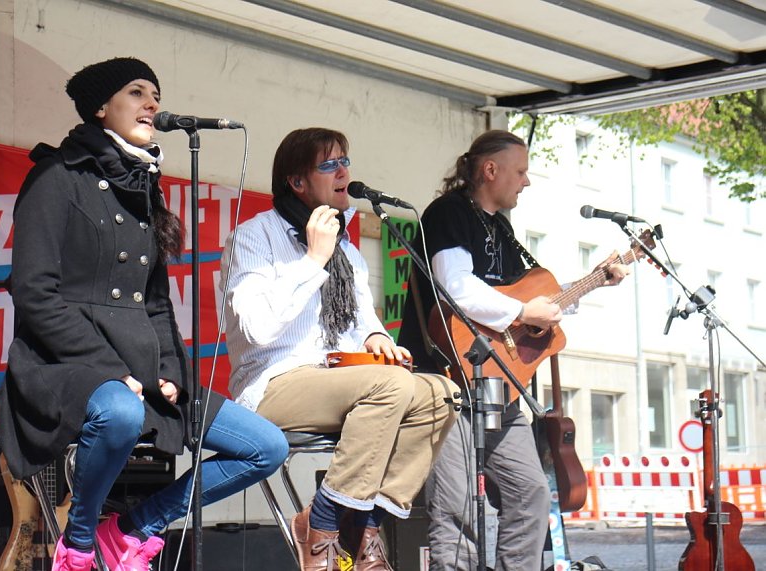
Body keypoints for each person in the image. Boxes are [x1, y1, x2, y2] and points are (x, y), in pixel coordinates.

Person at [0, 57, 289, 571]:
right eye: (136, 92)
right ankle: (79, 543)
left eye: (154, 94)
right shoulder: (56, 177)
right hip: (61, 364)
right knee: (121, 410)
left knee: (265, 446)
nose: (152, 103)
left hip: (139, 365)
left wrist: (169, 372)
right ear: (100, 107)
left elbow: (154, 302)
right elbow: (34, 292)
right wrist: (115, 373)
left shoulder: (145, 185)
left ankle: (133, 528)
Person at [220, 127, 459, 571]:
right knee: (390, 386)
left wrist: (378, 338)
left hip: (342, 381)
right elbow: (254, 329)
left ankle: (360, 525)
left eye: (345, 160)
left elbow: (362, 321)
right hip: (272, 386)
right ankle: (326, 525)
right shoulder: (254, 238)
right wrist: (312, 260)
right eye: (329, 164)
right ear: (297, 182)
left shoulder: (347, 252)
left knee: (441, 393)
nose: (344, 170)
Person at [399, 130, 629, 571]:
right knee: (456, 510)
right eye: (520, 171)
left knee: (531, 493)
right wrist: (525, 309)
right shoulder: (448, 214)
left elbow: (532, 300)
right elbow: (457, 290)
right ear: (490, 170)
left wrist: (593, 280)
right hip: (447, 384)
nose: (525, 182)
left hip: (498, 389)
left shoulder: (501, 227)